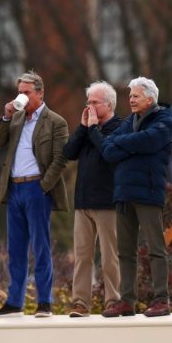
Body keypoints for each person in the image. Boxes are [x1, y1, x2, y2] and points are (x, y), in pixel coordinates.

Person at [0, 71, 69, 318]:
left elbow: (61, 158)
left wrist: (44, 186)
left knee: (40, 246)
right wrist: (5, 116)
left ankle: (45, 302)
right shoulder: (16, 118)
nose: (21, 96)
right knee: (15, 248)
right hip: (14, 188)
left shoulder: (55, 121)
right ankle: (14, 302)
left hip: (36, 188)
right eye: (19, 92)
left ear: (40, 93)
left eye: (26, 92)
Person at [100, 77, 172, 318]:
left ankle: (161, 299)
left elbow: (151, 140)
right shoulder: (129, 121)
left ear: (150, 98)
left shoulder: (164, 118)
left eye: (135, 96)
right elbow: (107, 151)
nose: (130, 99)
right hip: (123, 192)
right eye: (130, 96)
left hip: (148, 191)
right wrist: (132, 145)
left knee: (156, 248)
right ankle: (126, 300)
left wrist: (123, 144)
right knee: (125, 251)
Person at [62, 81, 122, 317]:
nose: (89, 106)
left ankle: (113, 300)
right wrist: (83, 127)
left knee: (110, 257)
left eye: (94, 102)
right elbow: (69, 153)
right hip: (83, 201)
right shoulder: (88, 129)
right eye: (88, 102)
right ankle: (80, 303)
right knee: (82, 257)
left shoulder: (120, 127)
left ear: (108, 104)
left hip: (108, 202)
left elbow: (110, 153)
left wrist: (95, 130)